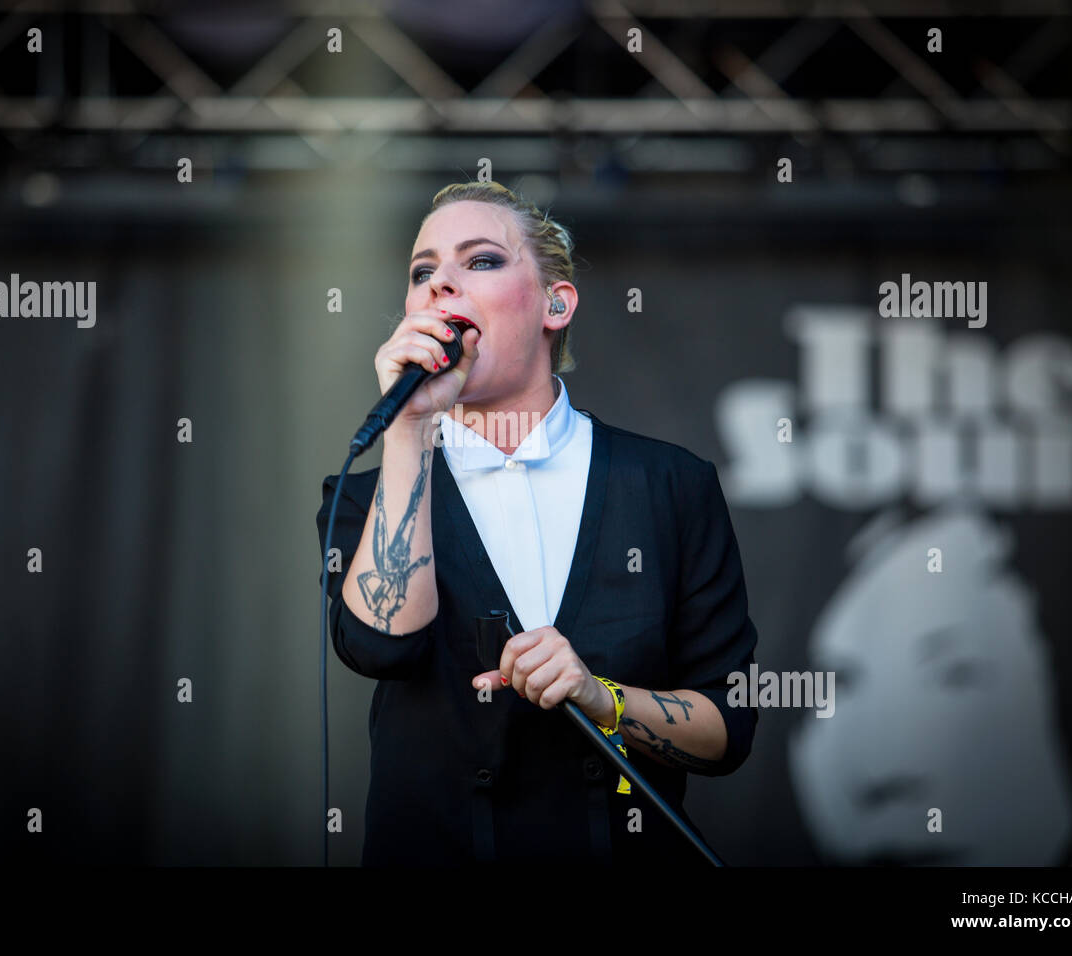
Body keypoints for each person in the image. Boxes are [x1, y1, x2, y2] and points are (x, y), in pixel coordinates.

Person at [316, 180, 759, 865]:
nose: (441, 286)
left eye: (482, 260)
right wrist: (409, 426)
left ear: (557, 302)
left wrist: (597, 694)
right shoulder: (364, 496)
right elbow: (382, 647)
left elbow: (727, 726)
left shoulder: (670, 485)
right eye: (423, 272)